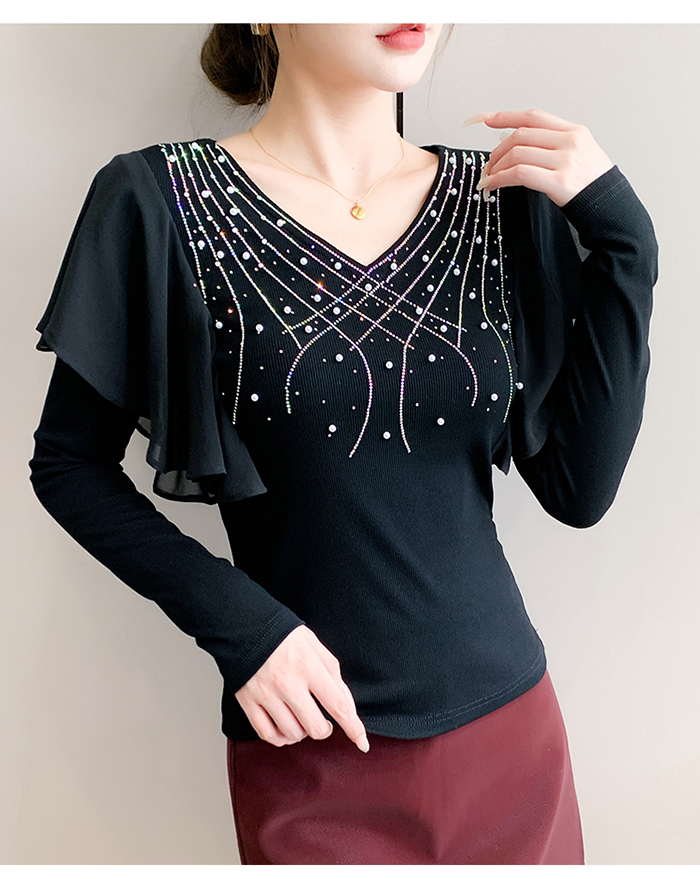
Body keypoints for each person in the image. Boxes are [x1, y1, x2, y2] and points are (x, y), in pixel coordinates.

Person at [28, 23, 658, 865]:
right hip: (312, 752)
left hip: (511, 741)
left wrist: (627, 246)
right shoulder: (156, 201)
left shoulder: (500, 201)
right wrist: (242, 627)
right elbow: (67, 464)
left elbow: (578, 490)